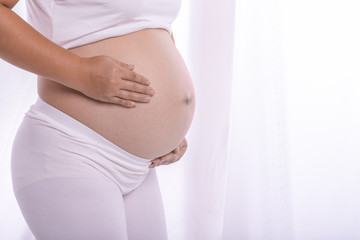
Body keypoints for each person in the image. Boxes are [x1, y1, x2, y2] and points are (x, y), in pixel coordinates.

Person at [0, 0, 195, 239]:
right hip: (73, 150)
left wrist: (171, 127)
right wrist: (80, 70)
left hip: (139, 167)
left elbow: (152, 27)